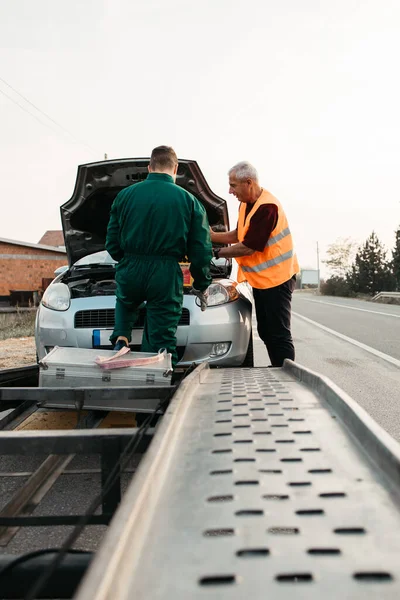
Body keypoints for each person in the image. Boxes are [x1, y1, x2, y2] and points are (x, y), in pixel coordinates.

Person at [106, 145, 212, 367]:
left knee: (125, 303)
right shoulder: (190, 201)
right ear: (176, 169)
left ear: (149, 167)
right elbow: (201, 251)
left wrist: (125, 261)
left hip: (130, 269)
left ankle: (121, 338)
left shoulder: (124, 196)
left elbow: (112, 244)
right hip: (164, 274)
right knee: (160, 341)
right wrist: (201, 283)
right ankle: (154, 383)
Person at [210, 161, 299, 367]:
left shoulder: (267, 208)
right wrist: (212, 236)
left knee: (278, 332)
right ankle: (277, 367)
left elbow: (248, 246)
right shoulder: (246, 204)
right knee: (266, 330)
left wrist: (214, 252)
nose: (230, 191)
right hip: (262, 280)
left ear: (248, 182)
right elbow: (239, 234)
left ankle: (286, 373)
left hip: (278, 278)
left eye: (233, 185)